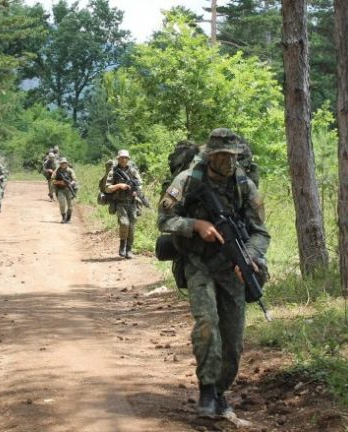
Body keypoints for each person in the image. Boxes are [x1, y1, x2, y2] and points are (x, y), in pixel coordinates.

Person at [157, 128, 270, 424]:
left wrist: (250, 256)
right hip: (199, 263)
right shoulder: (187, 180)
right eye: (222, 156)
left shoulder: (244, 185)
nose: (228, 161)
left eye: (232, 156)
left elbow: (260, 232)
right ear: (210, 155)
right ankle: (207, 390)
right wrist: (196, 225)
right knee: (208, 325)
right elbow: (164, 220)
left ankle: (221, 392)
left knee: (233, 341)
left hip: (232, 268)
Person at [104, 150, 143, 258]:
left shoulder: (133, 171)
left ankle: (129, 250)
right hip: (120, 203)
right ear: (118, 159)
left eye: (126, 158)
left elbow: (140, 185)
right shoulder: (113, 171)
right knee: (124, 223)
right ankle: (122, 245)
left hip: (132, 203)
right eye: (121, 158)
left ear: (128, 159)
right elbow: (107, 188)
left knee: (131, 227)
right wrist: (119, 185)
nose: (124, 160)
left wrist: (136, 190)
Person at [52, 158, 77, 223]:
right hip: (60, 189)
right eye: (62, 163)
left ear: (67, 164)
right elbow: (53, 181)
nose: (63, 164)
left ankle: (68, 219)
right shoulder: (56, 171)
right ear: (60, 164)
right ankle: (63, 218)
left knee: (70, 205)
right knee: (62, 204)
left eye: (65, 163)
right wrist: (60, 182)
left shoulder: (70, 171)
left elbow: (74, 180)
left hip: (69, 189)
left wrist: (70, 183)